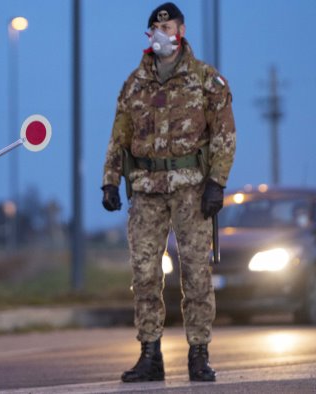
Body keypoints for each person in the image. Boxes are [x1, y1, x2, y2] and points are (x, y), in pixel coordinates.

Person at [101, 2, 236, 383]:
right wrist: (110, 180)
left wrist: (217, 183)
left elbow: (225, 136)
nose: (162, 32)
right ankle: (150, 355)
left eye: (169, 25)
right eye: (155, 27)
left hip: (192, 190)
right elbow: (119, 137)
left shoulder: (206, 80)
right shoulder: (134, 84)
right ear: (149, 34)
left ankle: (198, 353)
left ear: (181, 29)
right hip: (145, 191)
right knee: (144, 273)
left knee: (195, 271)